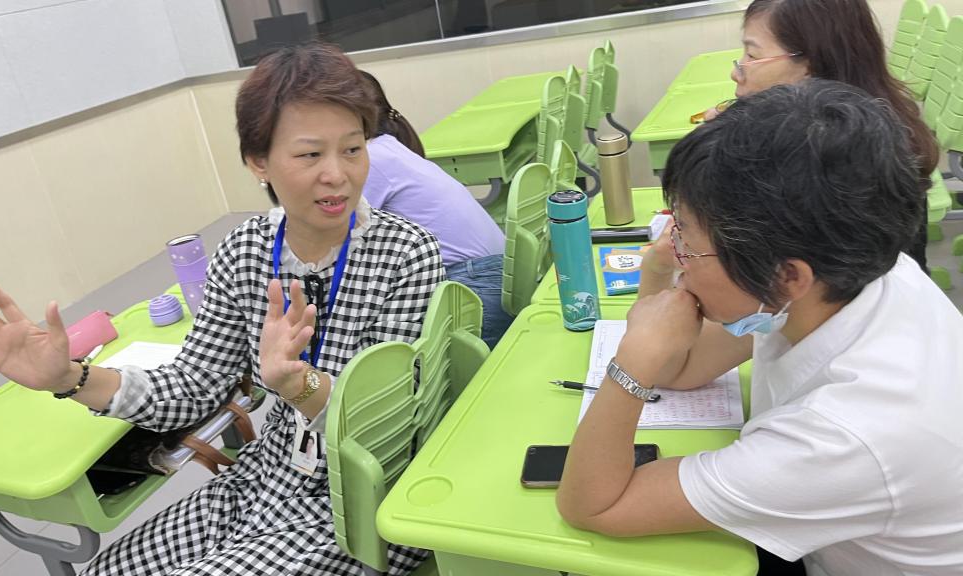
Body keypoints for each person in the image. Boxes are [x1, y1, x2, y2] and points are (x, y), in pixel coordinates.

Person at [0, 43, 444, 575]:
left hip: (360, 503)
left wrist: (299, 385)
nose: (338, 174)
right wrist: (69, 377)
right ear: (258, 162)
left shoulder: (407, 252)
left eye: (353, 149)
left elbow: (387, 425)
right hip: (266, 478)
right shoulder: (244, 251)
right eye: (309, 155)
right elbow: (193, 387)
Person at [556, 80, 963, 575]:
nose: (678, 251)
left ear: (788, 276)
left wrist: (631, 362)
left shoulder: (845, 435)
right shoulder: (846, 270)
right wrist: (659, 270)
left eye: (688, 240)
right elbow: (681, 369)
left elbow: (594, 505)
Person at [700, 0, 938, 271]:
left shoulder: (835, 157)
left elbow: (759, 257)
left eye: (752, 56)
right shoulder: (862, 119)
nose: (736, 72)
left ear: (811, 64)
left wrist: (718, 152)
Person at [358, 70, 514, 349]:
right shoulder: (389, 147)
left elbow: (340, 240)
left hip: (474, 283)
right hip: (496, 272)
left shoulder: (372, 158)